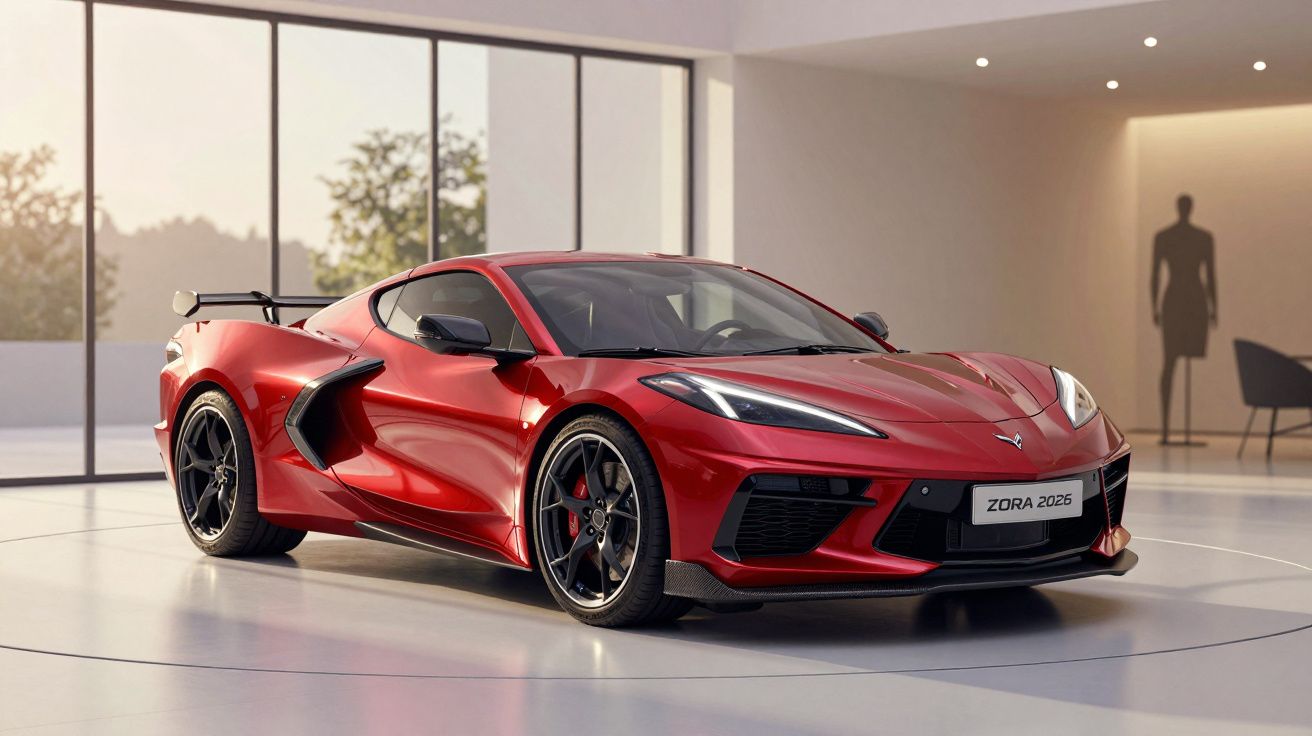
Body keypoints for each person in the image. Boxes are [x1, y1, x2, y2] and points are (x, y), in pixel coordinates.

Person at [1150, 194, 1217, 444]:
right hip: (1181, 301)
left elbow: (1211, 274)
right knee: (1170, 362)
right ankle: (1165, 429)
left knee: (1174, 361)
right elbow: (1154, 273)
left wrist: (1213, 308)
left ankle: (1167, 430)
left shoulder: (1200, 237)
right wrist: (1154, 307)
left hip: (1187, 301)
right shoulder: (1166, 237)